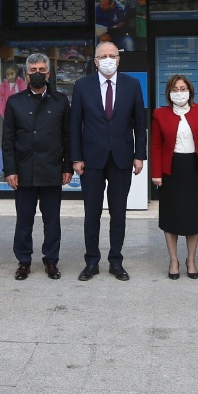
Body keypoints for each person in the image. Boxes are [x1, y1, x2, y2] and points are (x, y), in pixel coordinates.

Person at [70, 41, 148, 280]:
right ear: (95, 62)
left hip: (122, 158)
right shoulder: (82, 86)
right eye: (103, 56)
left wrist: (139, 155)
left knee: (118, 212)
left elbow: (140, 123)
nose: (107, 60)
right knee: (91, 213)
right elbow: (75, 124)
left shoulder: (132, 85)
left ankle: (116, 261)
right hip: (91, 159)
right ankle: (91, 262)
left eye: (112, 56)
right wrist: (76, 157)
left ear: (118, 59)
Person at [2, 54, 72, 279]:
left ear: (48, 73)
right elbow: (8, 139)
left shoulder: (60, 100)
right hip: (24, 170)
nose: (37, 74)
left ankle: (51, 260)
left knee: (52, 220)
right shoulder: (15, 101)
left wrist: (67, 167)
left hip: (52, 169)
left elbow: (68, 137)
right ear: (26, 74)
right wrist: (10, 170)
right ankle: (24, 261)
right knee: (24, 220)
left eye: (42, 69)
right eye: (33, 70)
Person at [150, 74, 198, 279]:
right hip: (171, 169)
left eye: (183, 89)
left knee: (191, 216)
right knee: (171, 216)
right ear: (169, 93)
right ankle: (174, 260)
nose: (179, 93)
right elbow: (156, 145)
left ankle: (191, 260)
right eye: (175, 89)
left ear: (190, 91)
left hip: (193, 168)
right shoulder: (160, 114)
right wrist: (156, 173)